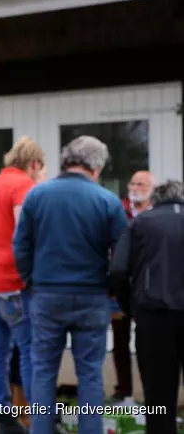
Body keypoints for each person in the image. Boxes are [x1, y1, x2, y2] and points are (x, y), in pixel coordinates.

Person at [13, 136, 128, 434]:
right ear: (96, 166)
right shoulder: (108, 201)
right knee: (90, 373)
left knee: (43, 372)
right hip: (92, 298)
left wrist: (31, 281)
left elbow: (21, 247)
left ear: (67, 160)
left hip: (47, 296)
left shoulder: (37, 196)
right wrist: (112, 289)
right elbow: (122, 258)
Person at [0, 136, 45, 434]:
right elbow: (25, 236)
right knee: (29, 350)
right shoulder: (24, 187)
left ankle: (2, 410)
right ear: (35, 164)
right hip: (12, 281)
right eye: (42, 171)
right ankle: (36, 418)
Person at [110, 179, 184, 434]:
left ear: (156, 199)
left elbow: (118, 270)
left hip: (154, 317)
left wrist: (131, 308)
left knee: (159, 397)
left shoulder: (140, 222)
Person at [110, 170, 155, 401]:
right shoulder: (118, 210)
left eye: (141, 183)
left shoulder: (157, 213)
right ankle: (123, 388)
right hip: (120, 285)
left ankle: (154, 392)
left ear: (151, 188)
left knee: (151, 341)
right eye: (133, 182)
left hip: (150, 286)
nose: (136, 187)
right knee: (120, 340)